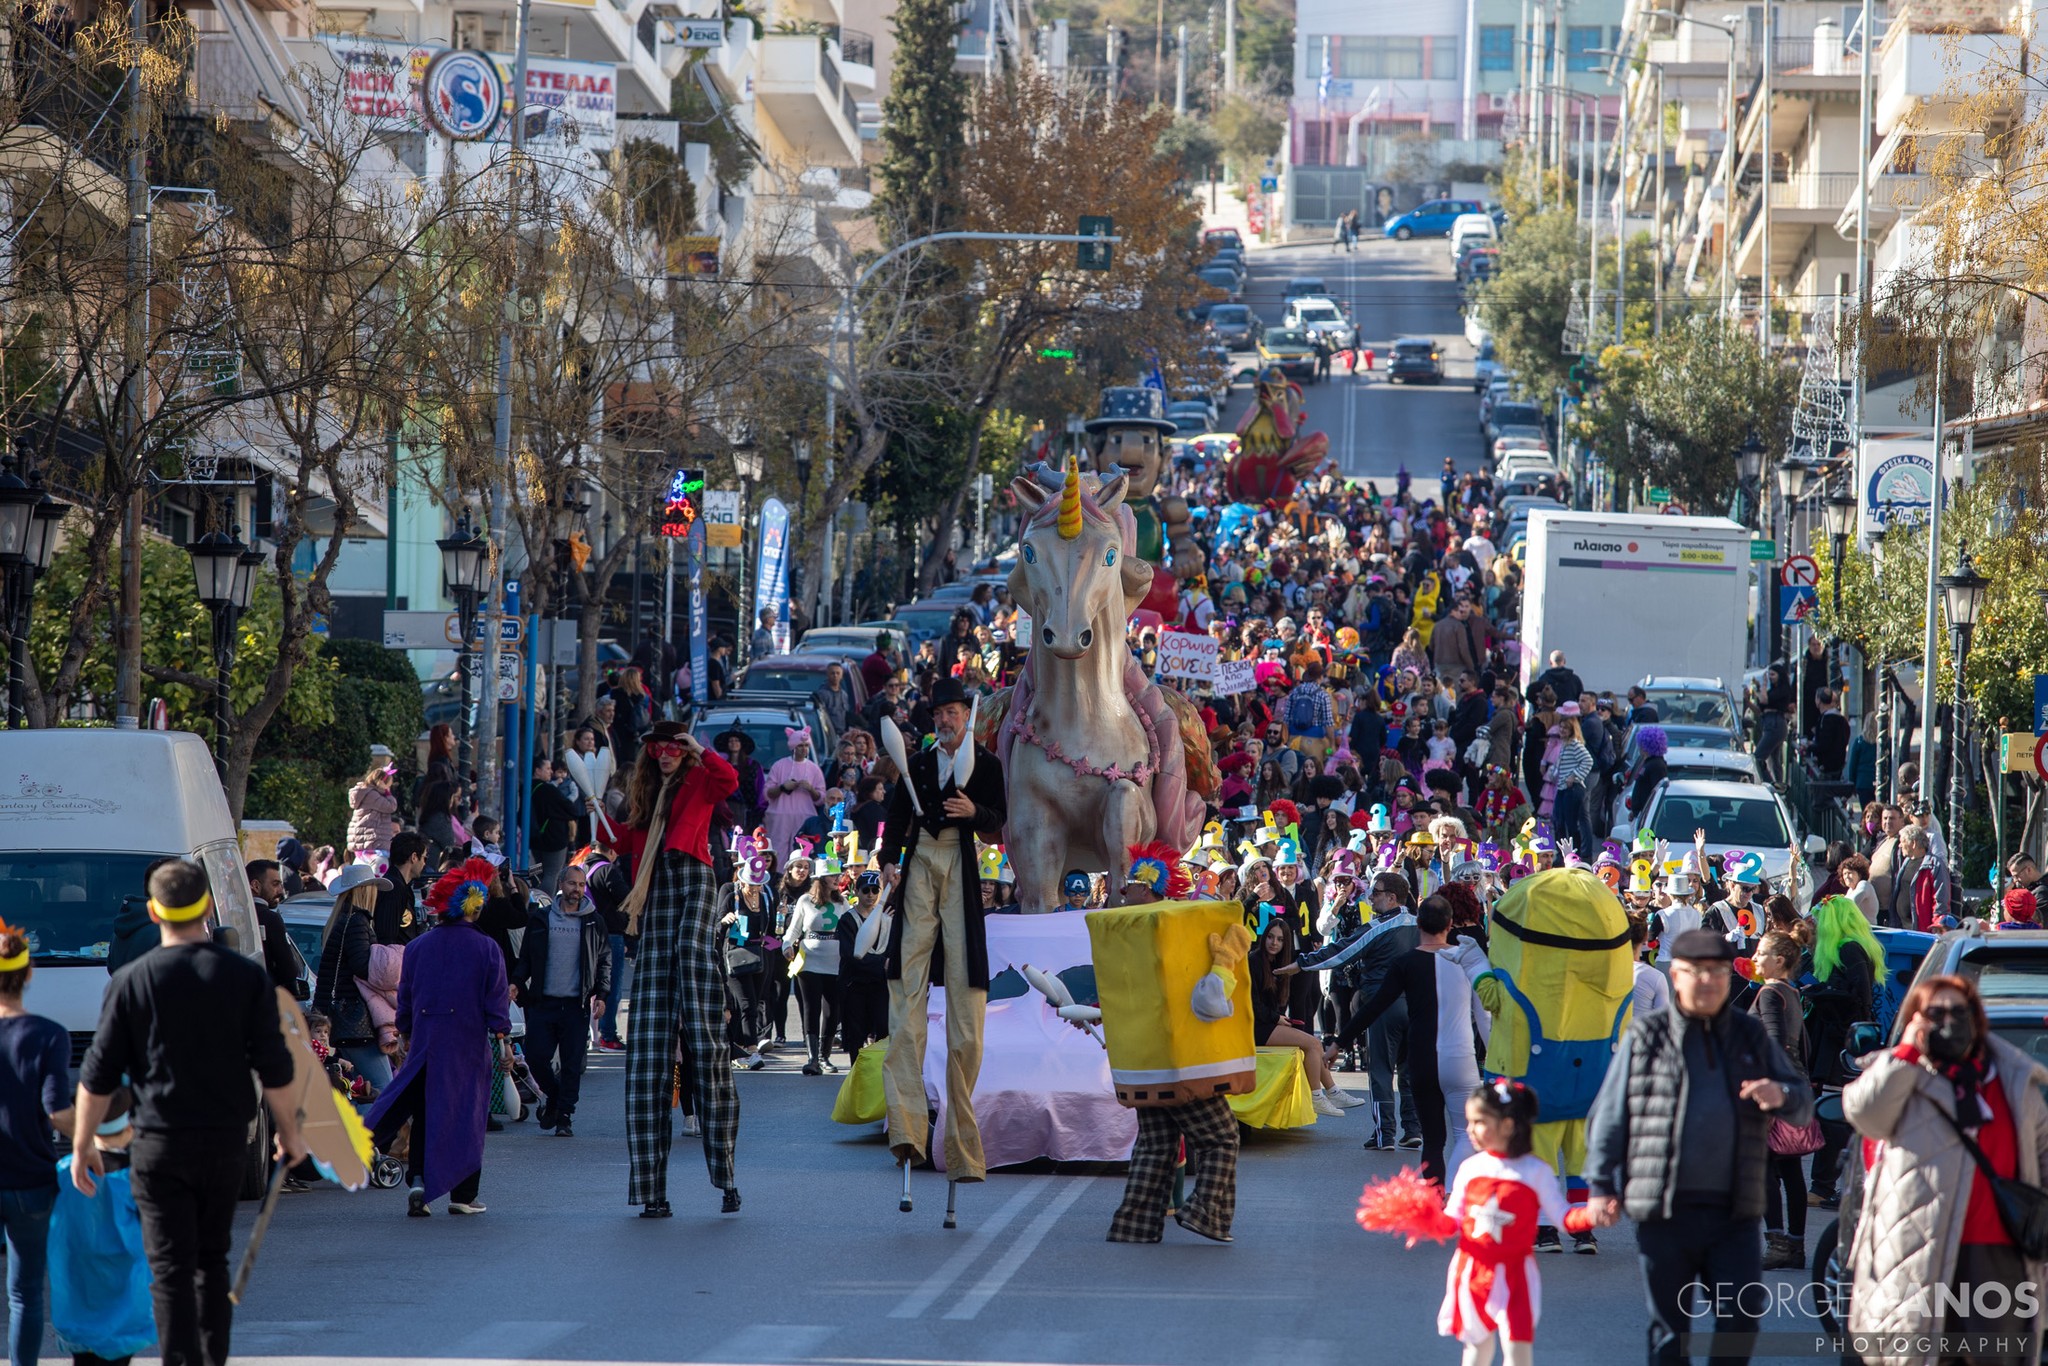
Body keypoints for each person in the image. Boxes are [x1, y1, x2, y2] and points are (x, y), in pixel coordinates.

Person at [74, 860, 304, 1366]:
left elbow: (98, 1076)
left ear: (153, 911)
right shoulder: (244, 977)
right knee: (210, 1261)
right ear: (206, 907)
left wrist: (83, 1146)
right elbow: (276, 1065)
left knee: (170, 1265)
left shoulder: (131, 980)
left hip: (158, 1141)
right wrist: (288, 1131)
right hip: (224, 1141)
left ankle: (180, 1358)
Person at [1583, 928, 1813, 1365]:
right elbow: (1608, 1116)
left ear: (1729, 976)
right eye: (1695, 972)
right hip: (1664, 1211)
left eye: (1717, 972)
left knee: (1740, 1323)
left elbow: (1801, 1104)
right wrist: (1600, 1186)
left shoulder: (1749, 1034)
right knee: (1670, 1333)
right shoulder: (1647, 1036)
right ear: (1676, 977)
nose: (1706, 981)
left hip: (1735, 1214)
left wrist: (1780, 1095)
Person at [1844, 974, 2048, 1359]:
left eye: (1959, 1011)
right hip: (1917, 1250)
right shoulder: (1901, 1073)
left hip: (1998, 1259)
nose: (1949, 1021)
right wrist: (1905, 1052)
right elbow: (1864, 1114)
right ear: (1916, 1018)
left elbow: (2043, 1156)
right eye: (1934, 1012)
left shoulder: (2014, 1078)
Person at [877, 676, 1007, 1195]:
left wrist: (975, 813)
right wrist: (889, 862)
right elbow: (894, 821)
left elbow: (1000, 819)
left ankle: (963, 1144)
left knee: (966, 1005)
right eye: (939, 717)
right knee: (905, 994)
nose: (945, 722)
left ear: (967, 717)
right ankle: (908, 1130)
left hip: (960, 867)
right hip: (921, 868)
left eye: (953, 714)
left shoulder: (988, 765)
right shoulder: (920, 766)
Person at [613, 720, 741, 1218]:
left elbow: (729, 780)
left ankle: (726, 1175)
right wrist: (601, 826)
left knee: (693, 958)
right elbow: (625, 842)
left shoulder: (700, 777)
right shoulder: (644, 795)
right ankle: (652, 1192)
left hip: (695, 879)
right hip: (656, 890)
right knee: (647, 1051)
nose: (665, 754)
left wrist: (698, 749)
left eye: (673, 747)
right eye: (658, 749)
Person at [366, 856, 512, 1217]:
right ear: (474, 906)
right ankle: (463, 1195)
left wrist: (405, 1035)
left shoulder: (417, 947)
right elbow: (496, 1006)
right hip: (467, 1046)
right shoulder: (487, 948)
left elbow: (407, 998)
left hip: (426, 1043)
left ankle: (417, 1181)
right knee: (467, 1116)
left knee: (425, 1112)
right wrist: (506, 1043)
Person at [1320, 895, 1487, 1184]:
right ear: (1450, 924)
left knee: (1433, 1141)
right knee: (1465, 1135)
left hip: (1423, 1059)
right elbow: (1485, 1014)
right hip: (1461, 1060)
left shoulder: (1405, 963)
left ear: (1418, 924)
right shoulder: (1468, 959)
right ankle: (1457, 1199)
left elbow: (1373, 1007)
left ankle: (1434, 1202)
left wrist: (1338, 1043)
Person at [0, 916, 73, 1366]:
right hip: (30, 1179)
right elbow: (57, 1113)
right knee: (25, 1293)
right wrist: (95, 1138)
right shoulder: (49, 1035)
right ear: (29, 974)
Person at [51, 1087, 152, 1366]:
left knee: (83, 1358)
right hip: (125, 1292)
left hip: (78, 1289)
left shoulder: (65, 1172)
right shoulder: (136, 1176)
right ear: (129, 1125)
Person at [513, 865, 611, 1138]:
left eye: (581, 885)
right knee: (535, 1058)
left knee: (570, 1064)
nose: (576, 890)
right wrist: (516, 983)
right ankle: (555, 1099)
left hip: (575, 1006)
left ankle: (565, 1116)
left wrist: (601, 995)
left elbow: (604, 960)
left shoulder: (593, 920)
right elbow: (527, 960)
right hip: (543, 1003)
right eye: (572, 884)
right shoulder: (542, 918)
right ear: (561, 884)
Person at [1802, 895, 1883, 1210]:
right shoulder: (1850, 947)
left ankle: (1825, 1186)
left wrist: (1822, 995)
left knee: (1835, 1116)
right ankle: (1832, 1185)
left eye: (1822, 920)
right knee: (1837, 1114)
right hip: (1840, 1041)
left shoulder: (1849, 949)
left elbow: (1858, 997)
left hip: (1843, 1044)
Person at [1747, 932, 1813, 1270]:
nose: (1755, 959)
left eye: (1762, 953)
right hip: (1795, 1087)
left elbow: (1773, 1044)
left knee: (1766, 1170)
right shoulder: (1791, 992)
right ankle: (1796, 1246)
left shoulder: (1770, 993)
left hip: (1775, 1092)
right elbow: (1802, 1045)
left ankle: (1777, 1244)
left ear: (1780, 960)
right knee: (1790, 1171)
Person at [310, 864, 396, 1095]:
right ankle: (367, 1132)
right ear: (366, 891)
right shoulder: (357, 921)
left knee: (356, 1090)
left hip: (340, 1017)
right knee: (382, 1088)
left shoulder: (342, 920)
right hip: (354, 1020)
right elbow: (362, 966)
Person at [785, 862, 847, 1076]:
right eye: (832, 876)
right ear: (821, 879)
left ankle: (824, 1056)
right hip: (809, 960)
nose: (837, 879)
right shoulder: (805, 900)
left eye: (838, 875)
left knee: (832, 1011)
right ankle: (812, 1058)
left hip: (836, 962)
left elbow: (852, 926)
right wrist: (786, 945)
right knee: (811, 1008)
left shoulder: (842, 902)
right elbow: (794, 929)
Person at [763, 728, 825, 862]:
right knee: (778, 850)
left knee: (801, 850)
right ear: (793, 747)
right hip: (780, 817)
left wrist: (810, 789)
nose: (804, 749)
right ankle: (777, 878)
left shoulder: (814, 769)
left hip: (805, 817)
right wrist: (783, 787)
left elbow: (821, 798)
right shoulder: (779, 766)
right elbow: (767, 793)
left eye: (806, 745)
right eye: (800, 746)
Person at [528, 756, 583, 895]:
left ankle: (534, 896)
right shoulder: (548, 790)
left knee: (537, 870)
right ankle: (545, 903)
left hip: (534, 838)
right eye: (547, 768)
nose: (551, 772)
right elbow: (569, 809)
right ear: (537, 770)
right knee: (552, 873)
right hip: (554, 838)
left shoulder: (526, 788)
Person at [373, 832, 429, 947]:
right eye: (424, 858)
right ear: (414, 857)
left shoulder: (403, 887)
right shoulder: (392, 889)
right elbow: (387, 938)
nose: (424, 863)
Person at [345, 763, 399, 860]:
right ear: (381, 782)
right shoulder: (372, 795)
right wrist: (388, 793)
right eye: (388, 785)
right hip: (372, 841)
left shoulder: (366, 793)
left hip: (365, 840)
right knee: (379, 867)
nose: (388, 788)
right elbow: (391, 807)